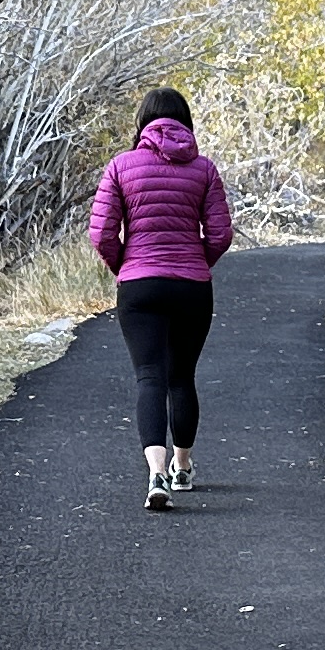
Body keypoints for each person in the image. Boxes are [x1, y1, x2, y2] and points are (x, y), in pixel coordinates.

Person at [89, 86, 234, 510]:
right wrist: (195, 262)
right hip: (192, 285)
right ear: (185, 122)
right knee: (181, 377)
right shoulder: (204, 169)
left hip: (140, 285)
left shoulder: (120, 166)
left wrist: (125, 267)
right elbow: (221, 233)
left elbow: (101, 233)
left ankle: (156, 474)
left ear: (142, 123)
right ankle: (183, 467)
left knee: (149, 377)